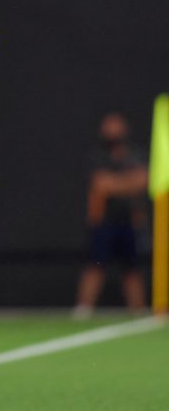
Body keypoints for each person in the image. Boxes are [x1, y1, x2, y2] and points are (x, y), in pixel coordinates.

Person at [73, 112, 148, 317]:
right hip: (103, 222)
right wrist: (127, 183)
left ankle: (139, 312)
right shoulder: (98, 156)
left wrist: (116, 183)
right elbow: (101, 184)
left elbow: (143, 180)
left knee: (132, 269)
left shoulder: (135, 154)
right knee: (95, 266)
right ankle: (83, 310)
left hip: (129, 222)